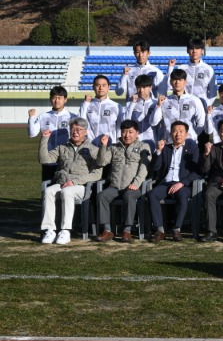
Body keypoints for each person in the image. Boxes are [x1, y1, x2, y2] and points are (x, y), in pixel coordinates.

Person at [38, 117, 102, 245]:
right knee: (49, 191)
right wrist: (44, 139)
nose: (75, 132)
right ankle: (49, 229)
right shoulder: (62, 148)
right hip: (62, 183)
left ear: (86, 132)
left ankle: (65, 230)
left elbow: (97, 174)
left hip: (80, 187)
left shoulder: (93, 149)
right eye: (72, 129)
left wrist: (75, 181)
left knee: (67, 192)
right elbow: (45, 160)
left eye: (79, 129)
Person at [95, 120, 152, 243]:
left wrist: (136, 183)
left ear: (137, 133)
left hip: (133, 187)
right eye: (124, 132)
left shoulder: (143, 147)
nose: (127, 135)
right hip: (115, 186)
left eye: (130, 132)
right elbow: (101, 162)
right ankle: (107, 230)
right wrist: (103, 146)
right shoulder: (114, 147)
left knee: (129, 196)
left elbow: (144, 168)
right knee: (101, 196)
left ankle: (127, 231)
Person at [147, 121, 202, 243]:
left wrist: (182, 183)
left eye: (181, 131)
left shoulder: (192, 149)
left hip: (182, 184)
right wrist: (159, 151)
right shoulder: (165, 148)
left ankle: (176, 229)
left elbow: (196, 171)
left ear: (186, 134)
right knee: (152, 195)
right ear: (171, 133)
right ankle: (160, 230)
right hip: (165, 183)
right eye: (175, 131)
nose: (178, 134)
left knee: (182, 196)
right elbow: (155, 169)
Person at [28, 86, 77, 181]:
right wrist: (31, 118)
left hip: (66, 158)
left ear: (65, 100)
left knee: (65, 184)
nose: (56, 101)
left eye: (59, 98)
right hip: (48, 156)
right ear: (50, 99)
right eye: (54, 97)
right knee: (47, 184)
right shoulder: (43, 116)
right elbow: (32, 134)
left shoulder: (72, 117)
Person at [151, 68, 205, 145]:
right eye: (174, 80)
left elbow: (201, 123)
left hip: (189, 143)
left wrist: (192, 136)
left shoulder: (194, 100)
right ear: (170, 82)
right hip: (169, 143)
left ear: (185, 82)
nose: (177, 82)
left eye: (180, 80)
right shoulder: (164, 101)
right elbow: (153, 122)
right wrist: (158, 106)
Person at [165, 37, 217, 109]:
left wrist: (206, 104)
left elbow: (213, 92)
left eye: (197, 48)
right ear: (187, 51)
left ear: (202, 51)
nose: (194, 51)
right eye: (192, 48)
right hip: (183, 107)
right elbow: (169, 86)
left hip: (201, 107)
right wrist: (170, 68)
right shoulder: (181, 68)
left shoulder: (208, 69)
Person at [80, 74, 122, 146]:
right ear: (93, 87)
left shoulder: (116, 106)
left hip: (110, 147)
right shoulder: (87, 105)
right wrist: (85, 103)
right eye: (98, 85)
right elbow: (81, 122)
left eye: (104, 85)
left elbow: (119, 128)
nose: (101, 88)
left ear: (109, 87)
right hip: (91, 147)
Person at [123, 74, 159, 150]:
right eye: (139, 87)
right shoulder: (130, 103)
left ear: (150, 88)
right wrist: (132, 104)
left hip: (152, 142)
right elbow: (125, 121)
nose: (141, 90)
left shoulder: (156, 103)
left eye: (144, 87)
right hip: (134, 142)